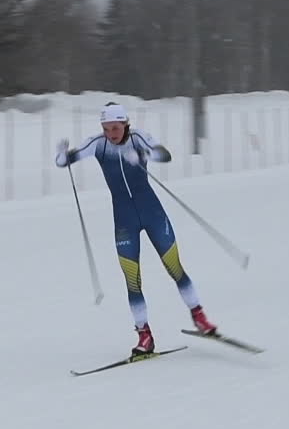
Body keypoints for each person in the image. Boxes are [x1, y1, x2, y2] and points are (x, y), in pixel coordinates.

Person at [56, 102, 219, 355]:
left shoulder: (138, 137)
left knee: (175, 268)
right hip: (124, 220)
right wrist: (63, 156)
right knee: (132, 280)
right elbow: (72, 157)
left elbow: (165, 154)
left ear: (125, 124)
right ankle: (145, 336)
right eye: (107, 128)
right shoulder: (98, 143)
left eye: (116, 127)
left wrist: (145, 155)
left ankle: (199, 317)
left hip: (152, 213)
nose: (112, 133)